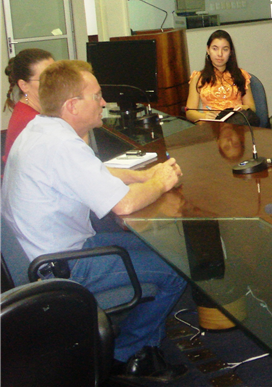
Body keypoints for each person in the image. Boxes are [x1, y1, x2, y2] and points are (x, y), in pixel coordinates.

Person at [0, 60, 188, 382]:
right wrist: (161, 181)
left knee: (160, 246)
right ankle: (125, 355)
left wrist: (139, 175)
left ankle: (143, 350)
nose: (104, 103)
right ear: (73, 106)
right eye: (97, 96)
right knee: (181, 265)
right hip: (61, 267)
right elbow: (124, 205)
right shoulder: (62, 145)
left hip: (44, 254)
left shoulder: (41, 129)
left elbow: (90, 172)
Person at [185, 29, 256, 123]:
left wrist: (243, 108)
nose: (220, 54)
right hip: (211, 126)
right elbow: (189, 112)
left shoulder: (241, 75)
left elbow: (252, 108)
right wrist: (204, 116)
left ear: (230, 52)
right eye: (215, 48)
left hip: (237, 125)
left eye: (225, 49)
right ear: (208, 50)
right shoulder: (198, 78)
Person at [3, 48, 54, 163]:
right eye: (45, 79)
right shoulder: (31, 121)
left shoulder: (31, 109)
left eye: (56, 76)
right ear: (24, 85)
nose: (55, 83)